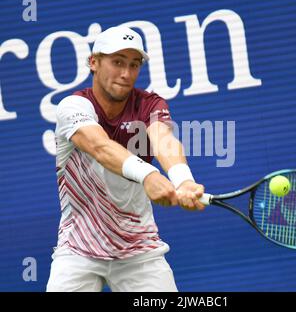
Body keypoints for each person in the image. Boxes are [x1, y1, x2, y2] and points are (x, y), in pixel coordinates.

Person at [46, 26, 205, 292]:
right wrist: (150, 175)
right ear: (93, 62)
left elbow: (164, 140)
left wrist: (183, 180)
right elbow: (100, 147)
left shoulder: (150, 104)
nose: (126, 74)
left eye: (134, 65)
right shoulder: (73, 107)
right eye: (117, 62)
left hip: (139, 248)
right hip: (78, 249)